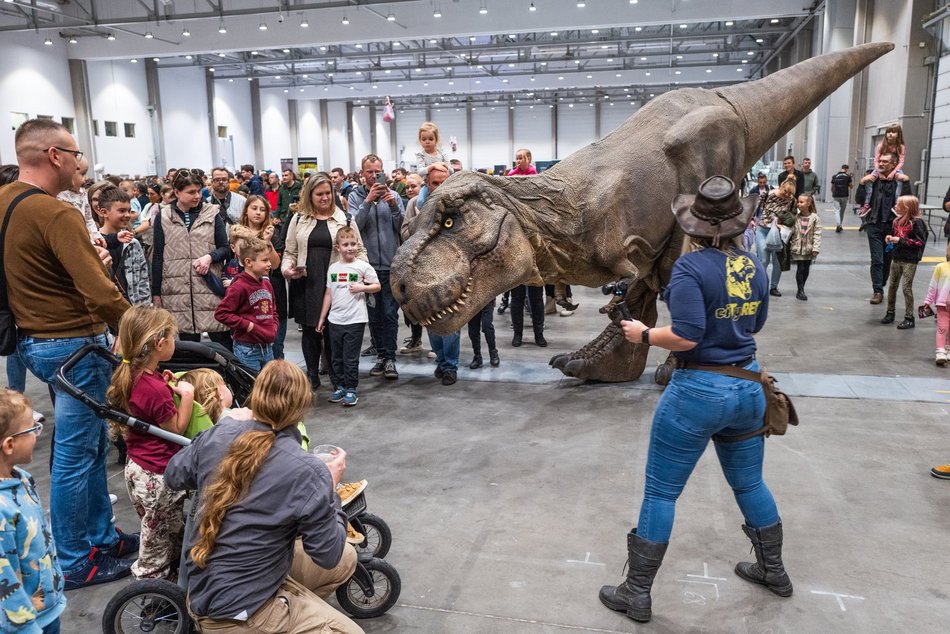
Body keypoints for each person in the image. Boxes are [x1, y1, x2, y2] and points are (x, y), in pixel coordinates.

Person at [600, 176, 789, 624]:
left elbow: (687, 336)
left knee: (661, 492)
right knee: (749, 484)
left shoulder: (689, 269)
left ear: (693, 225)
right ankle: (773, 570)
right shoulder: (754, 265)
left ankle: (637, 593)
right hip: (747, 385)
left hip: (699, 392)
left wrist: (644, 334)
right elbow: (755, 324)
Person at [3, 119, 133, 590]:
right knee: (77, 454)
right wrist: (137, 326)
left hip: (33, 341)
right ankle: (77, 558)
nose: (82, 162)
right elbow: (97, 290)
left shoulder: (5, 202)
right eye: (76, 153)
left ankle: (101, 537)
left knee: (89, 446)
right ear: (54, 155)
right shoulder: (55, 213)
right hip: (73, 342)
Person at [164, 360, 364, 634]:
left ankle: (281, 610)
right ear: (302, 407)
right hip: (233, 614)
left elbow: (173, 475)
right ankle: (266, 621)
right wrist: (330, 489)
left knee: (347, 557)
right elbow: (327, 554)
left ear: (255, 399)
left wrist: (221, 428)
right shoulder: (307, 469)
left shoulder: (221, 432)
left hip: (205, 588)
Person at [107, 305, 193, 581]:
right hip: (158, 475)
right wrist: (187, 396)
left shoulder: (135, 374)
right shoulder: (153, 389)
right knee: (155, 539)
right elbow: (176, 428)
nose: (174, 342)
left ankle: (172, 570)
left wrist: (163, 383)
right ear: (159, 343)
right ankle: (150, 583)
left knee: (165, 525)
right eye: (172, 337)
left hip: (139, 466)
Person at [285, 173, 368, 389]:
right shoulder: (298, 219)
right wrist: (287, 269)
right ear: (309, 195)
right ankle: (312, 374)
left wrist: (358, 276)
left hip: (336, 283)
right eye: (319, 194)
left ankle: (336, 375)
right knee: (310, 331)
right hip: (306, 282)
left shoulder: (346, 219)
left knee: (334, 332)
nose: (324, 198)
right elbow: (290, 252)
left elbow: (360, 251)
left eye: (328, 193)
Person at [0, 388, 67, 634]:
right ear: (9, 445)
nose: (37, 434)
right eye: (32, 429)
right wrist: (25, 628)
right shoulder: (2, 510)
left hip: (45, 610)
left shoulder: (22, 478)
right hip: (26, 625)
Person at [151, 169, 232, 349]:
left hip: (209, 289)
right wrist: (156, 294)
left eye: (199, 191)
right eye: (191, 192)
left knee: (222, 345)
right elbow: (157, 257)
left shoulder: (212, 213)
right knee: (188, 348)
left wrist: (210, 257)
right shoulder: (163, 216)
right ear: (177, 192)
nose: (197, 196)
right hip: (176, 292)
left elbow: (226, 249)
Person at [348, 155, 405, 381]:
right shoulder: (355, 196)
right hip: (367, 267)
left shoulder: (395, 196)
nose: (374, 176)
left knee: (390, 314)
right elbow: (353, 227)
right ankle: (380, 356)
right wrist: (368, 201)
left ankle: (390, 358)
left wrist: (393, 207)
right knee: (374, 316)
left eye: (377, 172)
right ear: (362, 173)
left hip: (391, 266)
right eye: (369, 172)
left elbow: (402, 228)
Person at [317, 226, 380, 407]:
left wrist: (363, 288)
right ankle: (340, 386)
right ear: (338, 247)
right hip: (335, 320)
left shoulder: (363, 266)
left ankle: (351, 388)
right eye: (346, 244)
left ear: (358, 245)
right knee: (336, 357)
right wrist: (322, 318)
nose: (350, 248)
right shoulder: (333, 268)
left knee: (350, 358)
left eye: (353, 244)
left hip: (355, 320)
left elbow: (377, 286)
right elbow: (328, 294)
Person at [214, 237, 278, 371]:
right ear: (248, 262)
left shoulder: (267, 284)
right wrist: (248, 326)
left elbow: (273, 311)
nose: (269, 264)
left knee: (268, 383)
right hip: (247, 350)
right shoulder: (238, 287)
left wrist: (274, 327)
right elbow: (221, 313)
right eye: (265, 260)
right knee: (251, 383)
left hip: (268, 348)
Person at [239, 194, 288, 359]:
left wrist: (267, 241)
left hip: (272, 290)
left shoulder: (273, 232)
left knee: (276, 346)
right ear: (246, 211)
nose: (258, 213)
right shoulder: (238, 233)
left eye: (262, 210)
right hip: (247, 294)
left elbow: (275, 264)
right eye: (254, 208)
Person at [860, 152, 902, 305]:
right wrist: (862, 183)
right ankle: (877, 290)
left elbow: (907, 199)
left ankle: (881, 282)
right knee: (877, 259)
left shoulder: (898, 182)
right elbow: (859, 199)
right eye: (880, 161)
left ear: (893, 164)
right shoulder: (872, 180)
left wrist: (906, 181)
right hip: (874, 225)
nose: (881, 164)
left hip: (891, 227)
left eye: (885, 161)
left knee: (887, 259)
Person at [97, 186, 151, 305]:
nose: (127, 215)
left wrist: (145, 309)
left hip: (134, 308)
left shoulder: (132, 243)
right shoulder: (96, 243)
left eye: (129, 210)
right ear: (104, 212)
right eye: (121, 211)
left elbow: (143, 280)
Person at [881, 195, 927, 329]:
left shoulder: (917, 223)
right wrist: (889, 238)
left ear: (907, 207)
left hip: (910, 260)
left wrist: (899, 240)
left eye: (898, 204)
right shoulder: (896, 221)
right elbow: (894, 235)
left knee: (906, 288)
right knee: (892, 286)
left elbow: (920, 242)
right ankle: (890, 312)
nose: (895, 206)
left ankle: (909, 317)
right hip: (896, 258)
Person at [398, 173, 426, 355]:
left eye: (413, 186)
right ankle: (416, 339)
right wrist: (418, 220)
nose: (409, 189)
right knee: (412, 305)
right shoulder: (411, 204)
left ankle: (439, 347)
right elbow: (405, 234)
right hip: (412, 261)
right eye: (407, 186)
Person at [755, 179, 797, 297]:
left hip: (779, 232)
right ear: (781, 187)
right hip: (763, 230)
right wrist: (752, 220)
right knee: (764, 260)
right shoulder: (768, 194)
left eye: (790, 193)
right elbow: (757, 207)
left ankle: (773, 287)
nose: (787, 195)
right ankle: (760, 286)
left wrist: (783, 225)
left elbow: (792, 216)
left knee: (777, 262)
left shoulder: (792, 200)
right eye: (785, 191)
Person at [789, 194, 821, 301]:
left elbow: (817, 234)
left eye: (802, 202)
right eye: (798, 202)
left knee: (806, 269)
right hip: (797, 247)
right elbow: (791, 231)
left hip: (809, 248)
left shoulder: (815, 218)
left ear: (808, 204)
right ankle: (800, 290)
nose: (799, 204)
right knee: (800, 268)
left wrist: (816, 248)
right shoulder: (795, 217)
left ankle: (801, 287)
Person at [924, 243, 950, 367]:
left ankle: (948, 348)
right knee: (942, 328)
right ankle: (940, 351)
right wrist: (928, 301)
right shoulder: (941, 267)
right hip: (942, 305)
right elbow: (933, 286)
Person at [830, 164, 853, 233]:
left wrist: (833, 193)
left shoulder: (834, 176)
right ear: (846, 169)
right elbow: (851, 186)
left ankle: (838, 225)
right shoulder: (848, 176)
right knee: (842, 211)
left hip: (836, 195)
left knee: (836, 210)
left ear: (841, 168)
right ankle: (840, 225)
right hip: (844, 195)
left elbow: (832, 187)